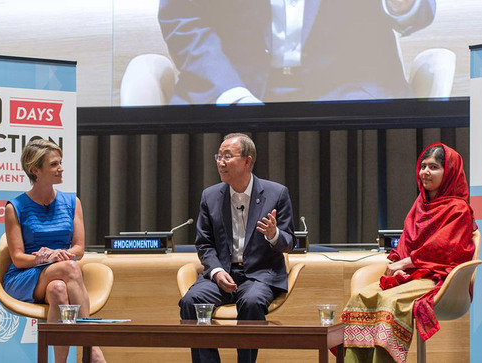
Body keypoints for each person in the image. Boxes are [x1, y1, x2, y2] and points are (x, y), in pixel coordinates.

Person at [341, 143, 476, 363]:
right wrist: (398, 263)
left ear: (449, 171)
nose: (425, 172)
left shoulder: (458, 209)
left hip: (438, 277)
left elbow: (445, 249)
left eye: (434, 167)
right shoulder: (419, 205)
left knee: (389, 301)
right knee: (360, 298)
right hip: (410, 275)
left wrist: (406, 263)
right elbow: (407, 241)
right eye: (423, 166)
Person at [158, 0, 436, 105]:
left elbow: (421, 9)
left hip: (348, 86)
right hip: (227, 81)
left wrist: (401, 4)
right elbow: (181, 17)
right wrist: (229, 92)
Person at [179, 133, 295, 363]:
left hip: (260, 276)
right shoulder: (210, 196)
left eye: (227, 156)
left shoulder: (276, 193)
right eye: (218, 156)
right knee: (190, 302)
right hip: (222, 275)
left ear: (247, 161)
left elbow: (289, 242)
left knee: (251, 302)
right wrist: (216, 271)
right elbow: (204, 243)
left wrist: (274, 235)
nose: (220, 162)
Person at [3, 139, 106, 363]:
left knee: (58, 289)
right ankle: (91, 347)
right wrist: (46, 258)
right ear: (35, 170)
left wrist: (59, 254)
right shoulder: (15, 207)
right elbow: (18, 259)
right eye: (53, 164)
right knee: (69, 268)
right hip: (25, 277)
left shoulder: (72, 202)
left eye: (60, 163)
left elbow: (78, 249)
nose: (61, 168)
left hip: (60, 274)